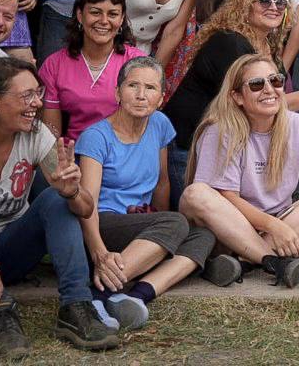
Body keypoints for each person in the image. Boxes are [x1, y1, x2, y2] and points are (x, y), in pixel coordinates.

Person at [0, 58, 119, 356]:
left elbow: (85, 208)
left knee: (56, 199)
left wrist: (72, 191)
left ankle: (76, 306)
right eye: (26, 96)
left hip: (10, 253)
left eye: (38, 93)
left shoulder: (36, 134)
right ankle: (0, 314)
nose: (37, 103)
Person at [179, 54, 299, 287]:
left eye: (276, 81)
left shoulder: (297, 124)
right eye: (256, 84)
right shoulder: (221, 129)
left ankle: (242, 262)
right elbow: (227, 197)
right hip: (226, 229)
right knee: (196, 194)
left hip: (272, 227)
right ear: (237, 96)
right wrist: (274, 226)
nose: (269, 90)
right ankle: (274, 261)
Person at [76, 57, 237, 329]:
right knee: (175, 222)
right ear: (117, 92)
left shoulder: (159, 124)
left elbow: (162, 183)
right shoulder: (96, 137)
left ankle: (137, 296)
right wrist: (99, 254)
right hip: (102, 224)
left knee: (202, 233)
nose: (141, 95)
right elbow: (86, 204)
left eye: (150, 88)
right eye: (132, 86)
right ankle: (100, 293)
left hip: (140, 223)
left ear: (161, 97)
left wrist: (162, 232)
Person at [163, 0, 299, 208]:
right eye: (265, 1)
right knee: (206, 226)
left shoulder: (268, 46)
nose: (275, 7)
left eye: (281, 2)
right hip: (187, 145)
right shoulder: (230, 41)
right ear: (244, 5)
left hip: (221, 145)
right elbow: (259, 103)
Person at [39, 0, 147, 143]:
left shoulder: (137, 63)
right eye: (95, 12)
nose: (104, 21)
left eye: (112, 14)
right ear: (80, 15)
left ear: (122, 19)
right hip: (72, 157)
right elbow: (50, 136)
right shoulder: (54, 65)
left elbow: (144, 124)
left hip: (122, 156)